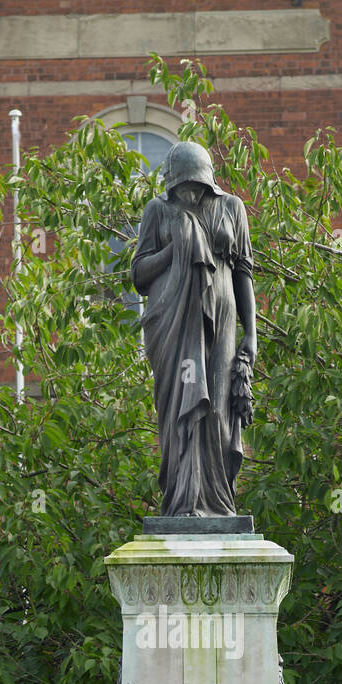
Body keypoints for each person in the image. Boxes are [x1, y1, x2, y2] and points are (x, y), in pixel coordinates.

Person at [131, 141, 257, 517]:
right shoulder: (158, 211)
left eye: (196, 188)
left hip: (222, 321)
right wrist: (177, 249)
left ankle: (218, 505)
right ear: (171, 185)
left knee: (218, 411)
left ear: (208, 183)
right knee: (178, 412)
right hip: (172, 326)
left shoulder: (232, 207)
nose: (189, 195)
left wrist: (251, 333)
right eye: (182, 188)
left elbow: (244, 273)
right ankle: (182, 502)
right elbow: (138, 274)